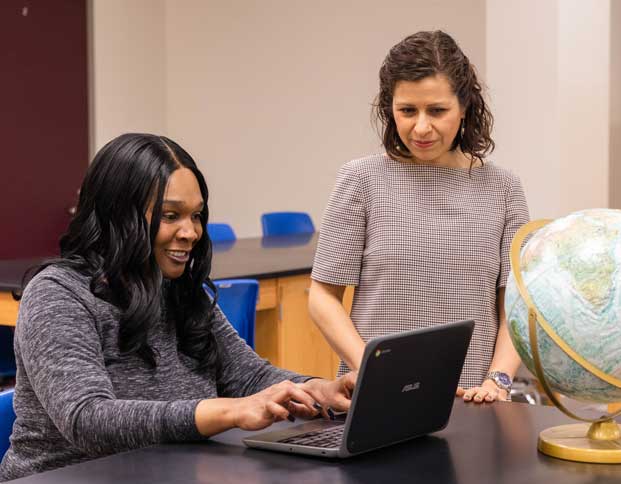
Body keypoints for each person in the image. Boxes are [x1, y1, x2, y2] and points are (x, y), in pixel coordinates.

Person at [0, 133, 355, 481]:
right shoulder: (57, 294)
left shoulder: (179, 290)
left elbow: (249, 377)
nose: (191, 232)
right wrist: (228, 410)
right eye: (171, 216)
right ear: (118, 215)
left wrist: (317, 390)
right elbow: (88, 419)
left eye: (196, 216)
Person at [309, 31, 529, 405]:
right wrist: (373, 370)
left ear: (464, 107)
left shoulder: (504, 189)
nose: (421, 127)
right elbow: (322, 296)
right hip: (375, 398)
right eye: (407, 111)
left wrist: (499, 379)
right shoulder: (360, 180)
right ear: (389, 108)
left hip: (471, 402)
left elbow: (515, 307)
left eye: (437, 111)